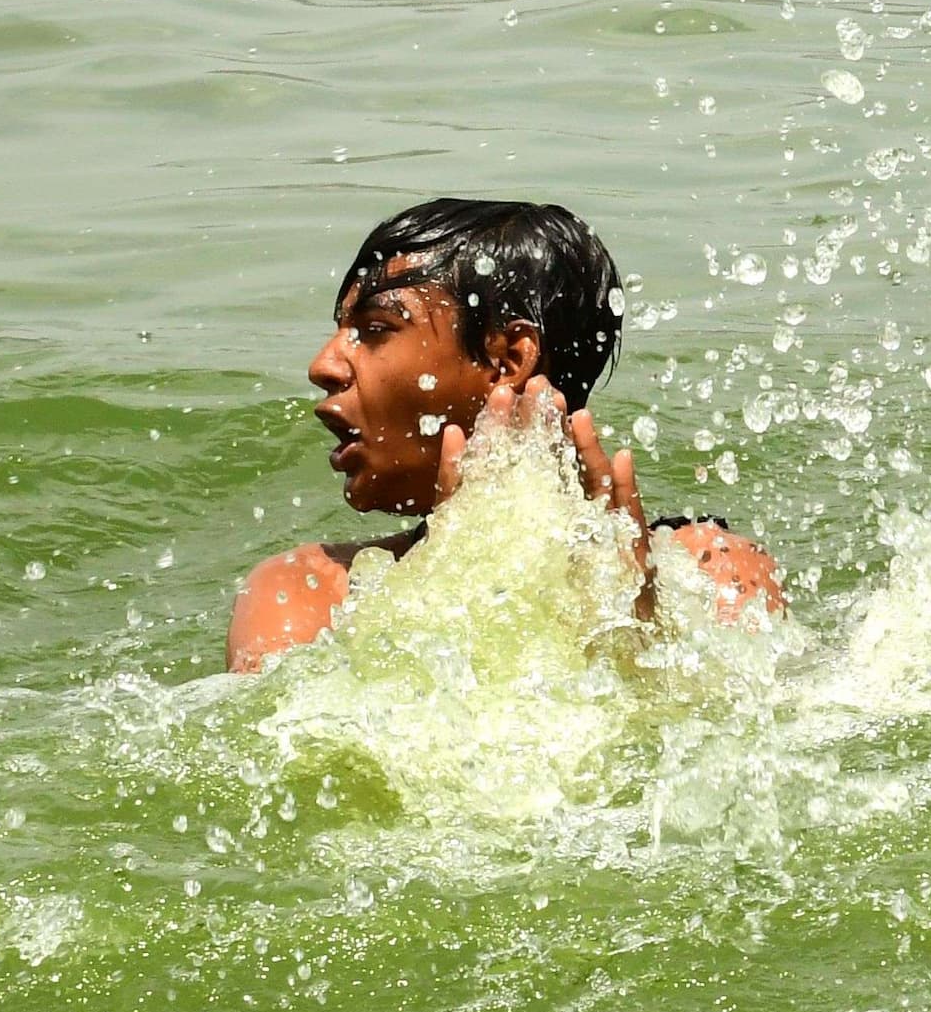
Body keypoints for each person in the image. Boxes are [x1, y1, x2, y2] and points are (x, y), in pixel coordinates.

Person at [229, 199, 783, 673]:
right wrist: (440, 594)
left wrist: (635, 638)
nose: (324, 365)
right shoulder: (301, 593)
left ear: (507, 358)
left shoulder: (710, 569)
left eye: (375, 330)